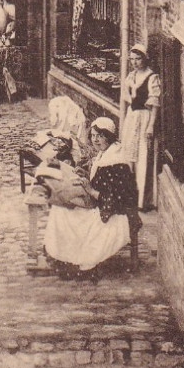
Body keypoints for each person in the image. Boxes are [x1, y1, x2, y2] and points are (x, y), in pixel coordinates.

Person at [43, 117, 138, 277]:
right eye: (93, 136)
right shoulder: (106, 154)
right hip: (102, 206)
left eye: (100, 136)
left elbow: (116, 200)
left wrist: (90, 189)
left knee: (63, 212)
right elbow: (102, 183)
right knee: (60, 208)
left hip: (114, 215)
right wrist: (85, 174)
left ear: (109, 136)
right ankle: (64, 257)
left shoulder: (116, 162)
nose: (95, 140)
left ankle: (72, 259)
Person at [119, 43, 161, 209]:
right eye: (132, 60)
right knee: (129, 153)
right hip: (132, 117)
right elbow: (126, 96)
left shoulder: (152, 78)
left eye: (138, 59)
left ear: (145, 59)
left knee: (143, 155)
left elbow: (155, 104)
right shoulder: (131, 76)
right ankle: (128, 196)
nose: (135, 62)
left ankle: (142, 200)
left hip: (144, 117)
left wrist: (150, 126)